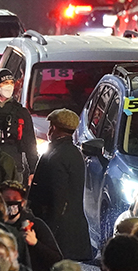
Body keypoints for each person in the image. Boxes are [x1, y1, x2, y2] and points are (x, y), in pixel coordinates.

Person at [28, 108, 92, 261]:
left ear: (54, 128)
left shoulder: (56, 156)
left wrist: (49, 229)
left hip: (60, 232)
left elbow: (58, 196)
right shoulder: (74, 153)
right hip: (73, 229)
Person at [0, 68, 38, 180]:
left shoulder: (20, 112)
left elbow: (30, 142)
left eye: (11, 83)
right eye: (5, 83)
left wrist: (33, 169)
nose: (9, 86)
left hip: (14, 166)